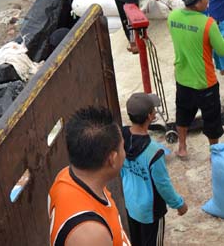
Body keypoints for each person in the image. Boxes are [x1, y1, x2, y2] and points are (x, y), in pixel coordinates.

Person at [167, 0, 224, 157]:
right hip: (205, 82)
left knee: (183, 115)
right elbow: (223, 49)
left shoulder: (172, 17)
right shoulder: (208, 24)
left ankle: (182, 147)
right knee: (212, 121)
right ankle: (214, 153)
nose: (208, 0)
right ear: (197, 2)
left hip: (183, 78)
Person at [48, 107, 131, 246]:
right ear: (112, 158)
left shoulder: (66, 176)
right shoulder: (90, 236)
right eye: (122, 147)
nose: (125, 153)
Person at [120, 93, 188, 246]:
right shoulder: (154, 152)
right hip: (150, 211)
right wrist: (178, 204)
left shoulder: (121, 137)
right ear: (150, 116)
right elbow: (163, 185)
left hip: (130, 203)